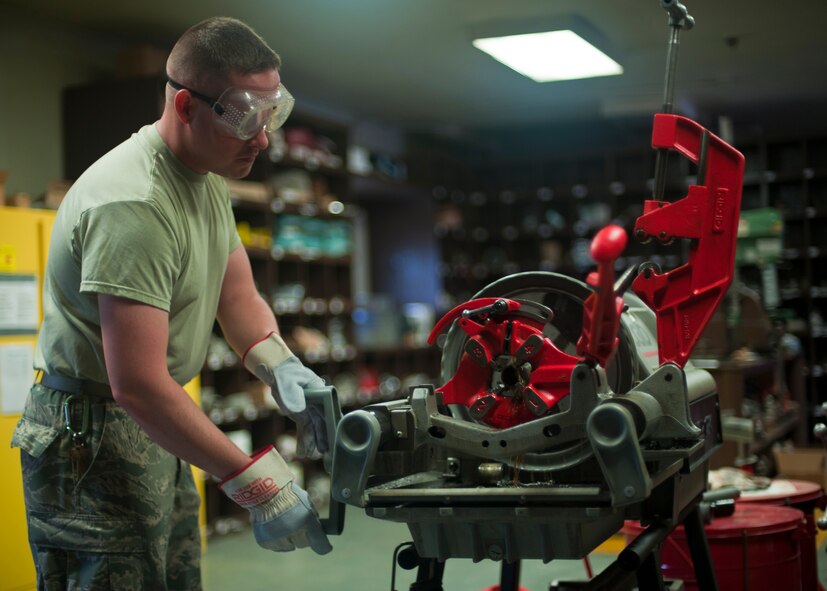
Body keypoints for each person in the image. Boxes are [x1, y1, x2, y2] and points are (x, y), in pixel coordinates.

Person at [11, 16, 332, 591]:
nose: (262, 140)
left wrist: (278, 360)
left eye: (272, 115)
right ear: (186, 106)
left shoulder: (205, 178)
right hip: (91, 437)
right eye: (245, 119)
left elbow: (239, 298)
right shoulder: (133, 204)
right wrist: (260, 484)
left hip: (151, 423)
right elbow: (135, 382)